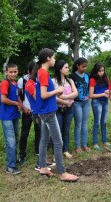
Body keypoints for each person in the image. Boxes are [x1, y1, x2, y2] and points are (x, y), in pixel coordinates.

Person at [36, 48, 78, 182]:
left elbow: (45, 93)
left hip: (44, 111)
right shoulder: (43, 73)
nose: (54, 59)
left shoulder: (41, 72)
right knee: (58, 142)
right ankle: (62, 172)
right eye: (53, 57)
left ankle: (43, 167)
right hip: (48, 112)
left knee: (44, 140)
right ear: (48, 58)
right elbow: (43, 95)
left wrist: (56, 92)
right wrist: (57, 91)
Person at [0, 63, 22, 174]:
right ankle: (10, 167)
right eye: (11, 72)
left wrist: (22, 106)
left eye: (15, 72)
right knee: (11, 141)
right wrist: (16, 103)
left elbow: (17, 97)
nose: (13, 74)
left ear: (17, 72)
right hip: (7, 116)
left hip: (14, 115)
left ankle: (14, 159)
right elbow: (3, 99)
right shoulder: (4, 83)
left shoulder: (15, 83)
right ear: (6, 72)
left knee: (15, 138)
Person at [52, 60, 78, 159]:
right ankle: (56, 153)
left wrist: (64, 98)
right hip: (58, 109)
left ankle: (65, 150)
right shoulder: (53, 81)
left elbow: (76, 93)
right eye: (66, 67)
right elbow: (52, 97)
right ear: (60, 69)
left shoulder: (70, 81)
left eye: (68, 67)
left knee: (66, 130)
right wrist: (65, 101)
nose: (68, 69)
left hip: (69, 109)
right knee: (57, 132)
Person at [18, 61, 41, 166]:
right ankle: (22, 154)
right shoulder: (21, 80)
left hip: (37, 111)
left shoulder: (39, 80)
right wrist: (23, 107)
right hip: (27, 110)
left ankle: (38, 150)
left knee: (39, 131)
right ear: (29, 71)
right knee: (24, 133)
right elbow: (18, 96)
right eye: (35, 71)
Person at [89, 62, 111, 151]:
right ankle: (95, 143)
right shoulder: (92, 80)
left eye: (103, 71)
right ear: (96, 71)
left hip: (105, 102)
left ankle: (105, 141)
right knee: (97, 122)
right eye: (100, 71)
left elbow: (110, 89)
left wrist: (107, 91)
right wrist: (103, 94)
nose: (101, 73)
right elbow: (91, 95)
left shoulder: (106, 78)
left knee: (104, 122)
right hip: (96, 102)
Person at [70, 57, 90, 153]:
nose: (84, 68)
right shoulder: (72, 77)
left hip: (86, 102)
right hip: (77, 103)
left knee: (85, 124)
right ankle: (78, 146)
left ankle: (84, 144)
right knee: (78, 124)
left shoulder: (87, 76)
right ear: (78, 66)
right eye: (83, 66)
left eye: (86, 66)